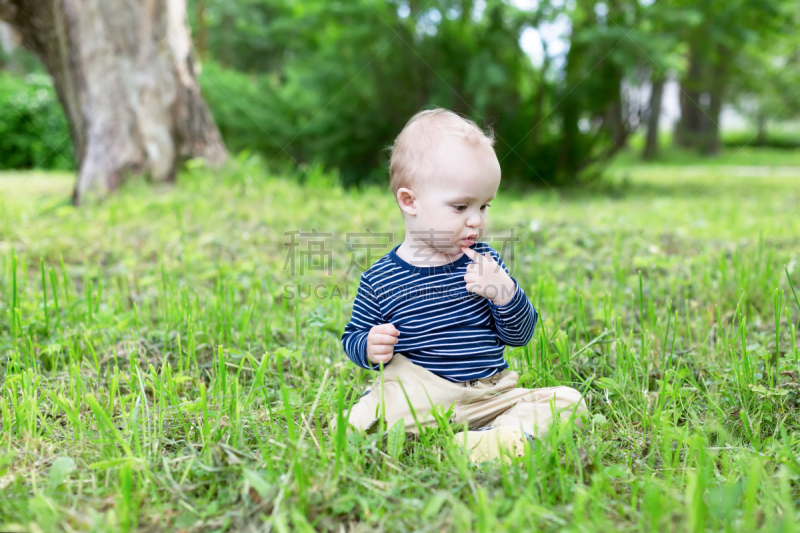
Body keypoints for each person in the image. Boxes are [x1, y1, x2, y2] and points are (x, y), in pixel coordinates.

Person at [338, 108, 587, 462]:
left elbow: (519, 336)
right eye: (460, 206)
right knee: (381, 404)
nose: (476, 220)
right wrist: (369, 346)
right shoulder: (380, 279)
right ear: (410, 201)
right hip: (420, 393)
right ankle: (356, 426)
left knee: (567, 401)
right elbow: (353, 336)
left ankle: (497, 437)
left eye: (484, 206)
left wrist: (506, 295)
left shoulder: (485, 264)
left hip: (489, 394)